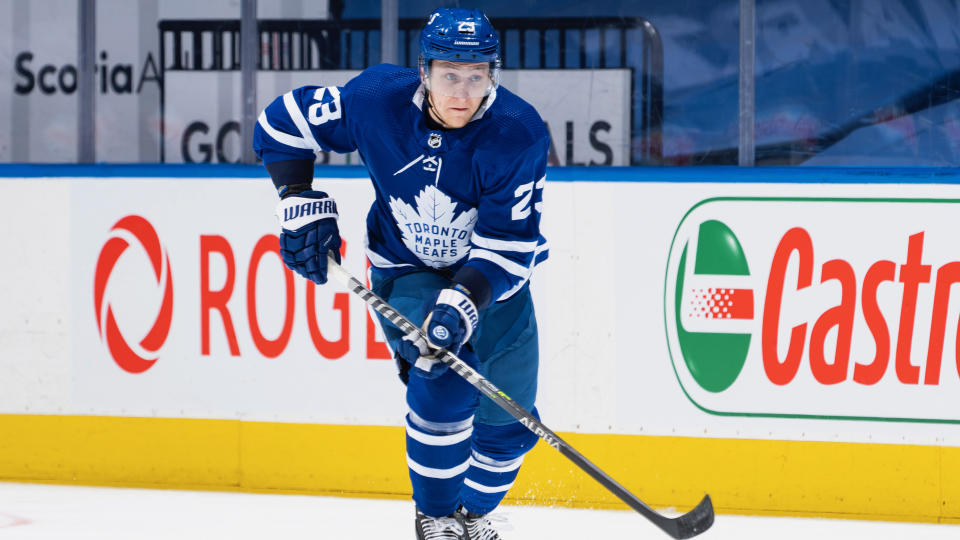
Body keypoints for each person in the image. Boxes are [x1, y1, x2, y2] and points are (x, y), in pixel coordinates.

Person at [253, 8, 549, 539]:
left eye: (476, 75)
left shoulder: (517, 133)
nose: (462, 91)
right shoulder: (374, 100)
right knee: (443, 369)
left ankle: (470, 516)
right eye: (449, 75)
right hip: (406, 268)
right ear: (423, 71)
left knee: (508, 431)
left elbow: (507, 246)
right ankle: (434, 517)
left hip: (493, 285)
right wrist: (298, 197)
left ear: (493, 74)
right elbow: (281, 123)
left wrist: (464, 300)